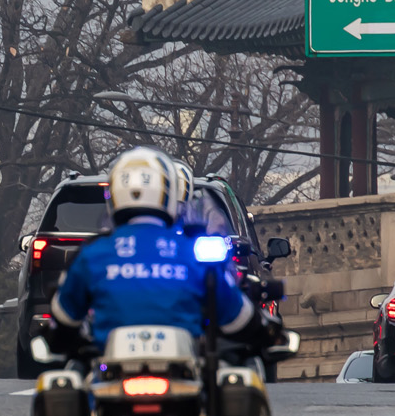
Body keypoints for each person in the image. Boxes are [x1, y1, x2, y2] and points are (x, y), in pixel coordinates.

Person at [48, 146, 255, 353]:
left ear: (112, 194)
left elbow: (65, 316)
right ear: (170, 193)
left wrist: (56, 338)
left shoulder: (94, 252)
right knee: (243, 378)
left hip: (109, 372)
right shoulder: (192, 251)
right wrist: (266, 332)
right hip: (185, 369)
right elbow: (236, 315)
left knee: (64, 377)